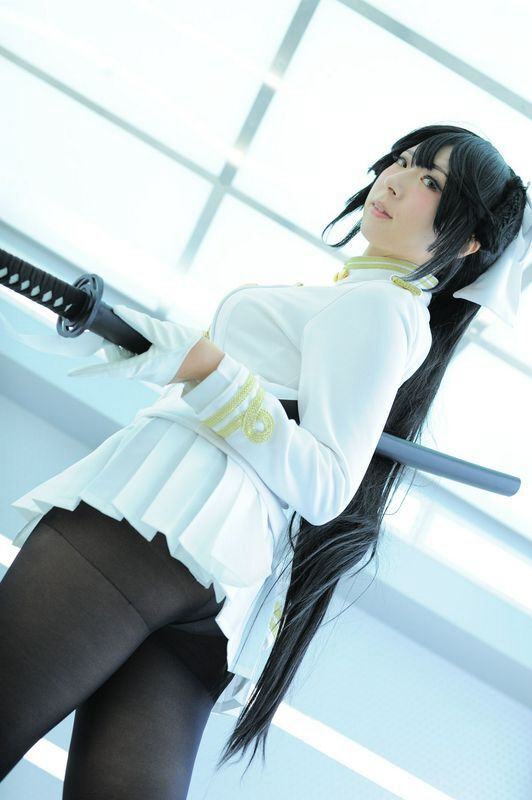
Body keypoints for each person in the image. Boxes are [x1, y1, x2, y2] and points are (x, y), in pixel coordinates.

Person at [0, 123, 529, 798]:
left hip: (167, 516)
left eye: (430, 181)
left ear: (472, 240)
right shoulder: (370, 301)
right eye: (399, 161)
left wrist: (211, 371)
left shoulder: (381, 307)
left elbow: (327, 483)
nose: (396, 181)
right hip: (214, 571)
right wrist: (195, 365)